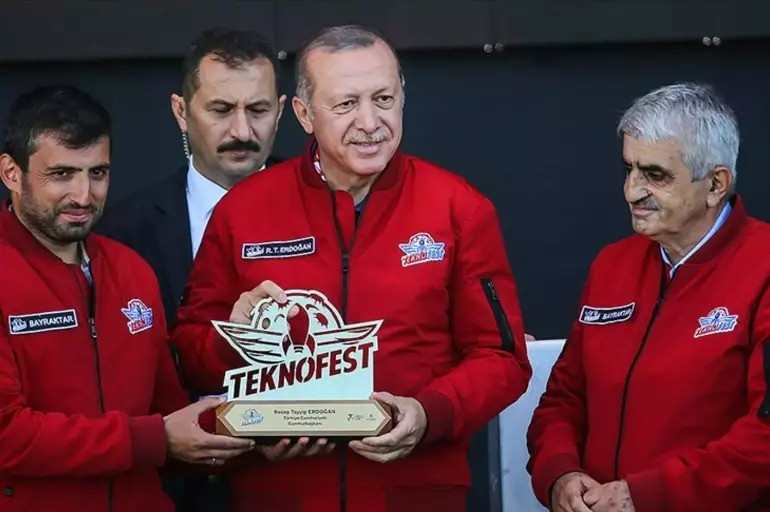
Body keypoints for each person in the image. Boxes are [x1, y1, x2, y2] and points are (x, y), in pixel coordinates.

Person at [171, 24, 532, 512]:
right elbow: (187, 352)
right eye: (345, 104)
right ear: (304, 114)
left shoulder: (458, 208)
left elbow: (502, 358)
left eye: (384, 99)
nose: (370, 121)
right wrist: (231, 341)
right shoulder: (243, 210)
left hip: (414, 493)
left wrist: (428, 413)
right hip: (279, 492)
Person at [0, 85, 254, 512]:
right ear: (11, 172)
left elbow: (169, 414)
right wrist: (150, 439)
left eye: (97, 173)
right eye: (62, 174)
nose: (83, 195)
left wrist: (246, 434)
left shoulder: (131, 270)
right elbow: (8, 435)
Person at [527, 83, 770, 512]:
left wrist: (645, 496)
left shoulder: (763, 266)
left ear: (716, 184)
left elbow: (763, 436)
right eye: (629, 169)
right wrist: (559, 474)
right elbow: (564, 398)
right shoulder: (612, 265)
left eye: (656, 175)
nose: (631, 191)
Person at [97, 27, 285, 323]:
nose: (242, 131)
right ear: (181, 112)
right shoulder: (125, 232)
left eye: (258, 110)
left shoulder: (326, 207)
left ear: (280, 111)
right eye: (221, 110)